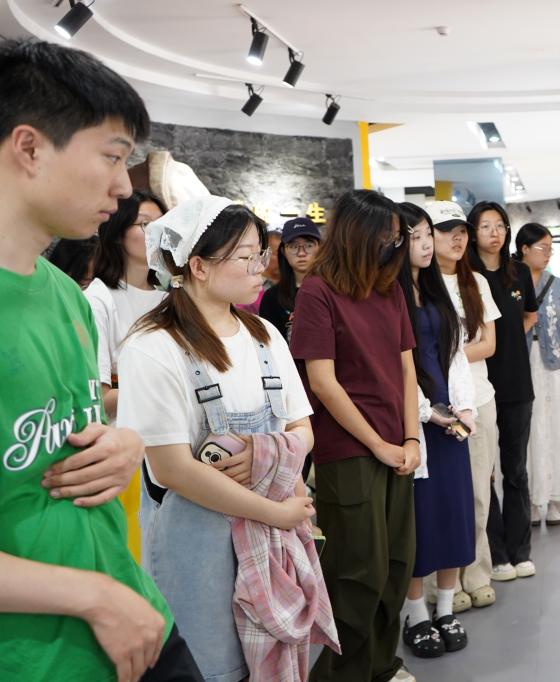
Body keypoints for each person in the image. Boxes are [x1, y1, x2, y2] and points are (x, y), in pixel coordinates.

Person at [0, 37, 202, 681]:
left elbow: (68, 428)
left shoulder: (63, 294)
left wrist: (122, 443)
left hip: (133, 618)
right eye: (112, 156)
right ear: (29, 147)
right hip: (41, 656)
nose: (122, 186)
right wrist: (92, 598)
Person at [118, 197, 336, 681]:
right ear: (198, 266)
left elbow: (301, 428)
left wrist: (263, 453)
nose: (262, 267)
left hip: (270, 538)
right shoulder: (152, 347)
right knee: (210, 670)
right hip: (198, 548)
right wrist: (274, 511)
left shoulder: (264, 336)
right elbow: (173, 468)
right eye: (247, 256)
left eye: (262, 254)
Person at [290, 189, 420, 682]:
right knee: (358, 573)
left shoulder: (391, 291)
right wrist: (378, 444)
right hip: (349, 449)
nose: (394, 245)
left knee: (396, 565)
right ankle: (344, 676)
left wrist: (411, 439)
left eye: (397, 237)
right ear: (359, 234)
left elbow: (407, 371)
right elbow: (322, 382)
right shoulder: (317, 292)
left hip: (397, 447)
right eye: (387, 236)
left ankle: (383, 666)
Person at [396, 202, 476, 658]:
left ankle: (445, 609)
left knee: (453, 515)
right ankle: (416, 614)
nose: (426, 245)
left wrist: (463, 407)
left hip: (451, 424)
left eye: (429, 235)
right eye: (416, 237)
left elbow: (456, 353)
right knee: (419, 520)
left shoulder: (438, 290)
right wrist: (428, 414)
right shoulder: (388, 295)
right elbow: (395, 369)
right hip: (414, 421)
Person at [429, 201, 501, 611]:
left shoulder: (476, 283)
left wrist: (446, 357)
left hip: (479, 400)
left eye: (461, 231)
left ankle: (476, 574)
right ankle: (444, 584)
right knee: (442, 499)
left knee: (477, 496)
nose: (456, 239)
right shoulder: (419, 285)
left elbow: (489, 344)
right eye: (446, 231)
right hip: (436, 408)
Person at [467, 201, 538, 582]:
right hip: (479, 387)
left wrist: (509, 341)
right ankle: (494, 554)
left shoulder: (519, 272)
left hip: (517, 384)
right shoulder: (466, 275)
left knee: (516, 471)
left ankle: (520, 550)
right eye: (485, 226)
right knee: (485, 474)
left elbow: (530, 314)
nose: (494, 233)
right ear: (472, 232)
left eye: (500, 225)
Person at [514, 224, 560, 526]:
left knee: (557, 427)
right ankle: (532, 499)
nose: (547, 254)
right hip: (521, 365)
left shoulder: (558, 285)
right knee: (528, 431)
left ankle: (556, 498)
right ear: (524, 249)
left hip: (555, 367)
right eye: (542, 248)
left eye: (550, 249)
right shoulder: (510, 283)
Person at [84, 190, 167, 420]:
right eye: (146, 224)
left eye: (163, 225)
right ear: (118, 234)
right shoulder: (98, 300)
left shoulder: (170, 298)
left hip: (173, 426)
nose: (158, 234)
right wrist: (166, 388)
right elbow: (99, 398)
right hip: (124, 429)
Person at [260, 216, 321, 340]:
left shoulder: (333, 291)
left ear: (320, 248)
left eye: (309, 245)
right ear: (283, 251)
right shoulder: (272, 297)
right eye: (293, 246)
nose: (301, 253)